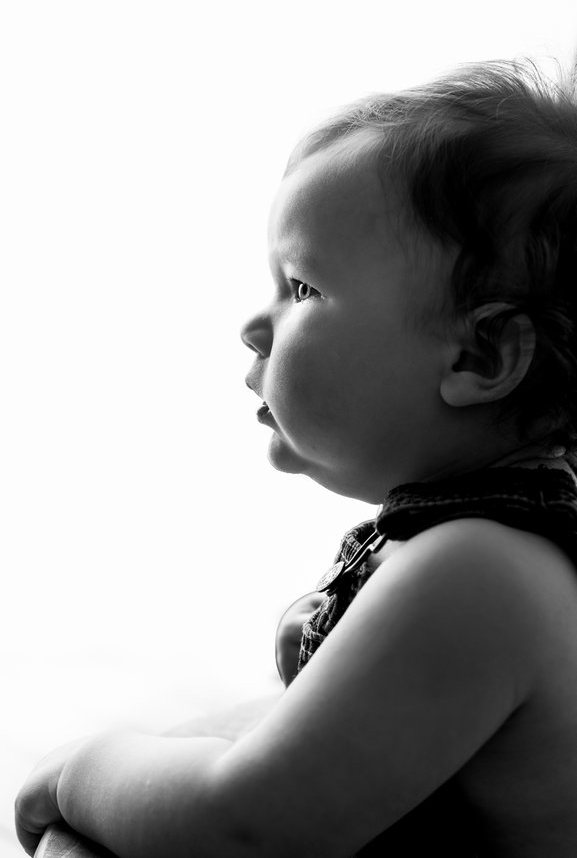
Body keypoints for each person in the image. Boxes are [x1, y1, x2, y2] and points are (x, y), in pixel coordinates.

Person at [16, 55, 577, 857]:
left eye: (303, 287)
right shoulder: (476, 547)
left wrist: (80, 769)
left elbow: (243, 827)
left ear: (480, 358)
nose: (255, 323)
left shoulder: (479, 573)